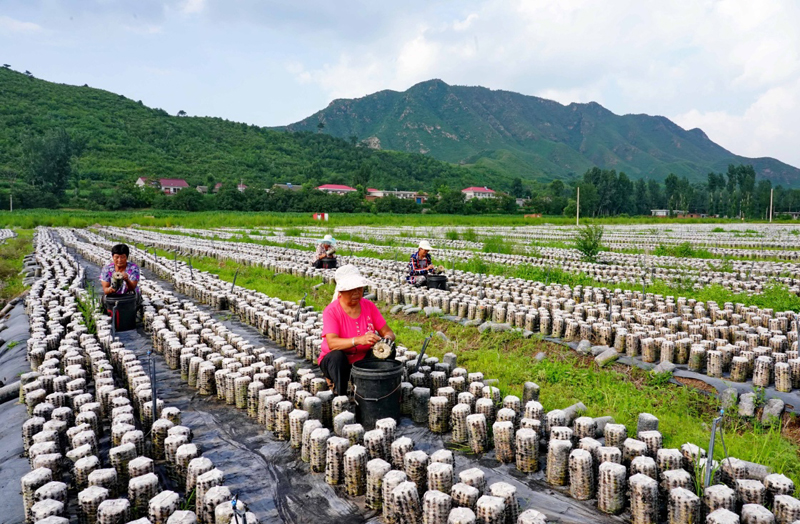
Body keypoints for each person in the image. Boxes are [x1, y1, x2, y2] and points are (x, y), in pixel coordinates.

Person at [318, 265, 395, 395]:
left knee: (389, 349)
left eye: (359, 289)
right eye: (351, 290)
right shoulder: (331, 311)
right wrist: (358, 340)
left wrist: (385, 340)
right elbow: (332, 343)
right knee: (337, 356)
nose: (357, 293)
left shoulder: (368, 306)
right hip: (337, 361)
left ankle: (375, 388)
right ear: (341, 292)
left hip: (362, 360)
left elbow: (389, 332)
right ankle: (339, 392)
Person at [99, 243, 141, 316]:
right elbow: (105, 290)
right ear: (113, 257)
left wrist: (127, 280)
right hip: (113, 297)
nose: (119, 260)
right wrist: (111, 289)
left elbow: (132, 287)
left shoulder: (133, 268)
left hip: (129, 296)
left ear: (127, 257)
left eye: (122, 257)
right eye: (117, 257)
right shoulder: (107, 269)